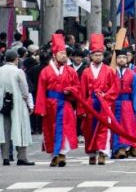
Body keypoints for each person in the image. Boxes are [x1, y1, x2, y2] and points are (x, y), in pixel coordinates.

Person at [35, 34, 82, 167]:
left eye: (65, 54)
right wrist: (41, 108)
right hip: (50, 104)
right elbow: (41, 91)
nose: (63, 56)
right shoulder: (45, 71)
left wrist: (71, 90)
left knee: (66, 128)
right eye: (61, 53)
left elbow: (78, 87)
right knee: (51, 129)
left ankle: (62, 155)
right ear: (54, 55)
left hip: (65, 103)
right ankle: (54, 155)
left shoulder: (71, 71)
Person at [80, 34, 117, 165]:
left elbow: (114, 88)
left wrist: (106, 97)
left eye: (100, 55)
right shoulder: (86, 72)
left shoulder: (109, 71)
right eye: (95, 55)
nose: (98, 57)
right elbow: (82, 91)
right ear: (91, 56)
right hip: (90, 104)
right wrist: (82, 109)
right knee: (89, 129)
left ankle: (102, 153)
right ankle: (91, 154)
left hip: (104, 103)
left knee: (104, 129)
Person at [0, 50, 34, 166]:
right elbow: (25, 89)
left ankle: (5, 157)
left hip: (3, 103)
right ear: (16, 59)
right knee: (20, 128)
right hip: (17, 102)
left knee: (4, 130)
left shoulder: (0, 70)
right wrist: (28, 103)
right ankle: (22, 157)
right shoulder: (18, 71)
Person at [111, 49, 136, 159]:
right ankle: (117, 148)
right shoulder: (111, 72)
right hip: (114, 102)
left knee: (128, 126)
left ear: (127, 59)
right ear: (116, 59)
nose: (121, 60)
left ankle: (126, 147)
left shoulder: (132, 74)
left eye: (124, 57)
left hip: (127, 103)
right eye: (119, 57)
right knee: (115, 126)